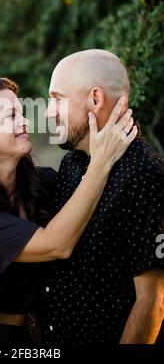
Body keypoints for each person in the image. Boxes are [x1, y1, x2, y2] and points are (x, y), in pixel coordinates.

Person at [0, 74, 136, 344]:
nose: (25, 122)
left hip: (39, 334)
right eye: (11, 116)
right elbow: (56, 244)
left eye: (22, 113)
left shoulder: (41, 182)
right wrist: (101, 161)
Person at [43, 49, 164, 344]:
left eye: (57, 99)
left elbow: (153, 302)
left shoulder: (143, 173)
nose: (47, 112)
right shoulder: (72, 163)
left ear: (95, 99)